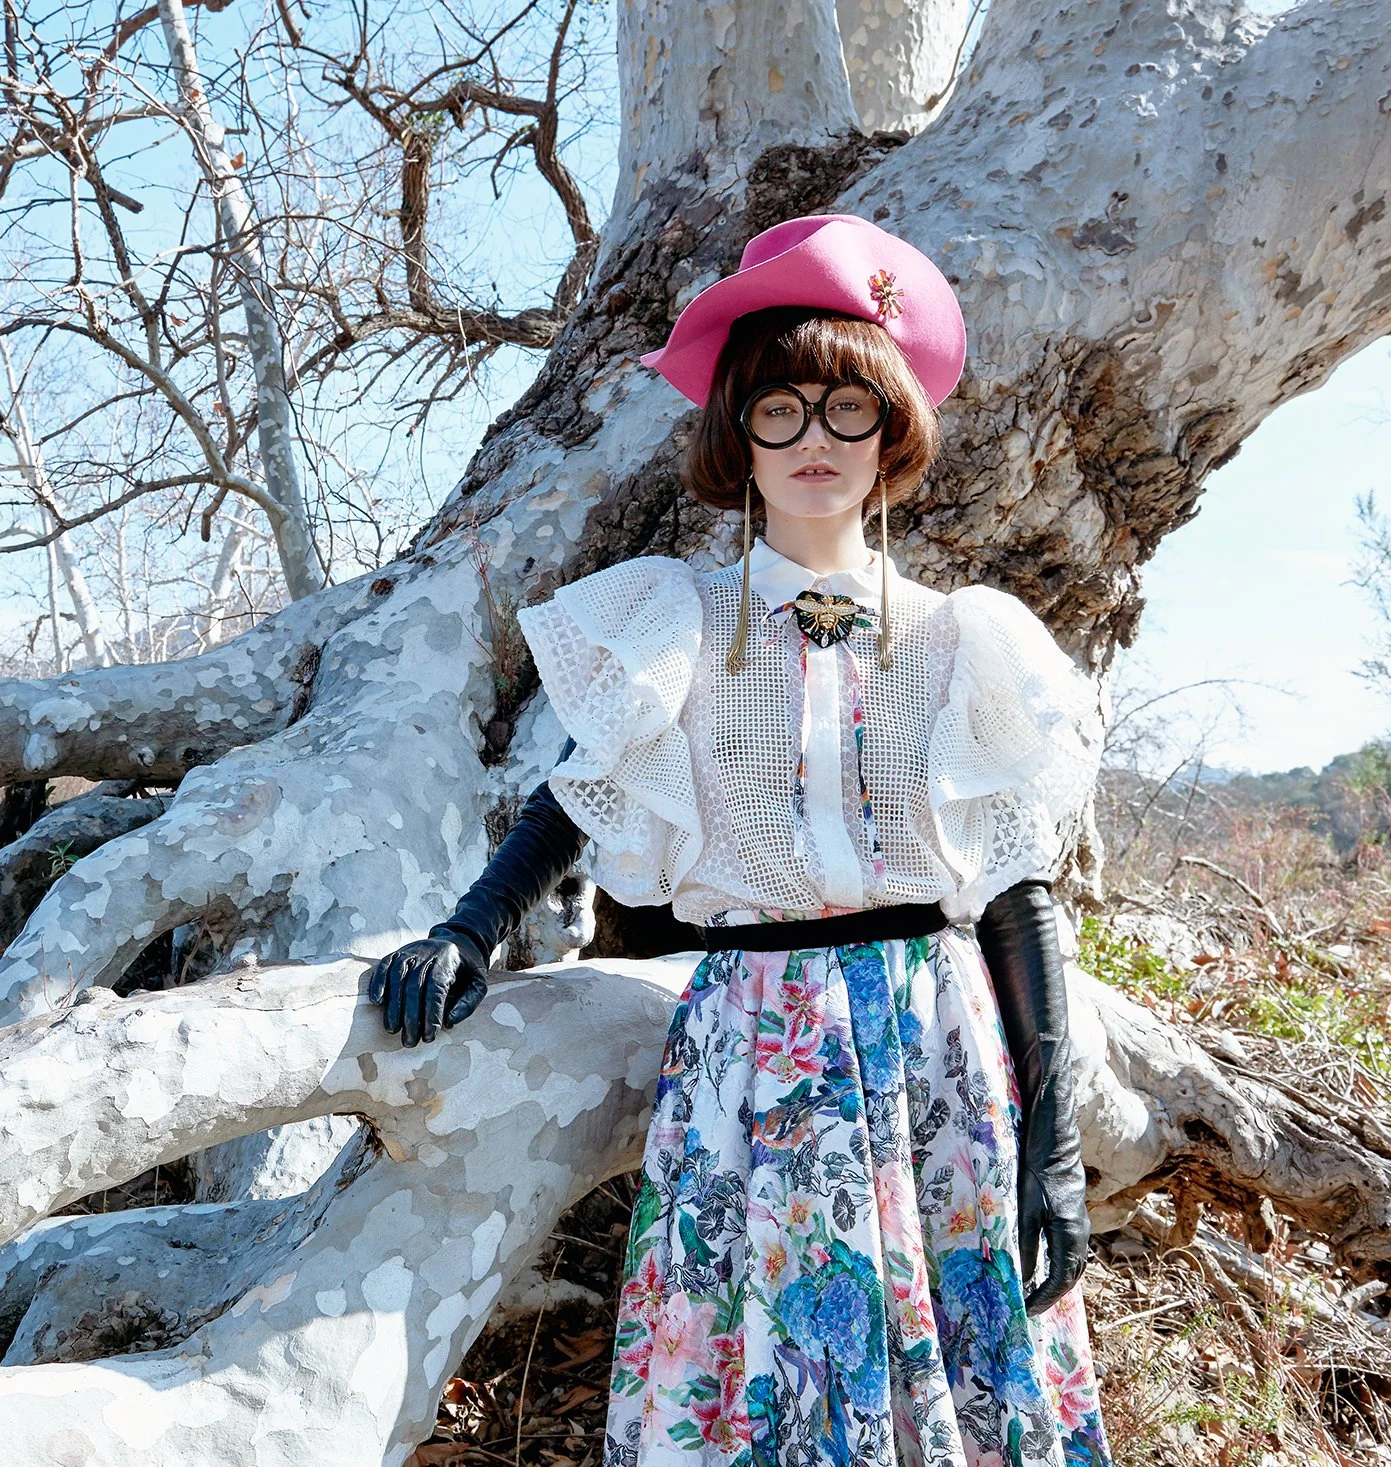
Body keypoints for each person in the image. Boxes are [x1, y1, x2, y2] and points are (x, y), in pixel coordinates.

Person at [366, 214, 1113, 1467]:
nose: (813, 440)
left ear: (892, 435)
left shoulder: (963, 640)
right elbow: (578, 799)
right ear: (737, 434)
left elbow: (1012, 886)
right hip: (753, 1048)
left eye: (845, 410)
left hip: (935, 1040)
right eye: (780, 409)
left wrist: (1058, 1136)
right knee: (753, 1379)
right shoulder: (678, 621)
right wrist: (467, 931)